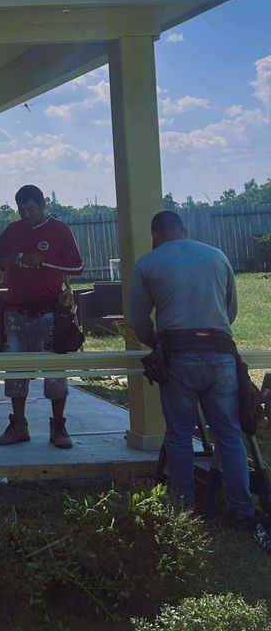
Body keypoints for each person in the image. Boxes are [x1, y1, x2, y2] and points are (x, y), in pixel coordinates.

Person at [129, 210, 270, 551]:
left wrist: (157, 344)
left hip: (178, 356)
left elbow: (137, 319)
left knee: (178, 434)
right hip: (221, 354)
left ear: (155, 235)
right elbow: (230, 311)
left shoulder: (149, 263)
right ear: (185, 230)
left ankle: (184, 508)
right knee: (229, 435)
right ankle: (240, 509)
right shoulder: (217, 256)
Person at [0, 185, 83, 448]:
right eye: (21, 210)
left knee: (54, 371)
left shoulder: (59, 230)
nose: (26, 214)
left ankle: (58, 426)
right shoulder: (12, 230)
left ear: (42, 206)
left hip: (50, 312)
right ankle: (18, 425)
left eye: (31, 209)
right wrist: (7, 261)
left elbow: (77, 266)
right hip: (16, 312)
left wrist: (43, 260)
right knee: (16, 371)